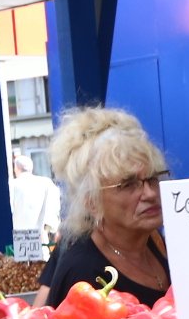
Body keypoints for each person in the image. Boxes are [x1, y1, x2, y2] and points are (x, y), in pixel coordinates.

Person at [35, 108, 170, 307]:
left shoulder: (157, 243)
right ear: (92, 202)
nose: (150, 193)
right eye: (129, 184)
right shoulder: (81, 276)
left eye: (152, 178)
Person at [7, 149, 62, 239]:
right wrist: (47, 228)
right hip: (40, 236)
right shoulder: (46, 183)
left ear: (16, 169)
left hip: (19, 237)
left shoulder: (12, 185)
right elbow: (54, 207)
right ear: (31, 168)